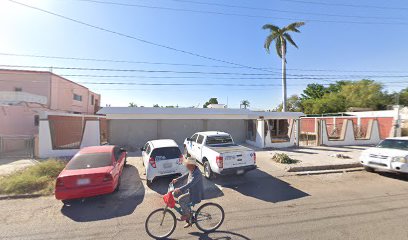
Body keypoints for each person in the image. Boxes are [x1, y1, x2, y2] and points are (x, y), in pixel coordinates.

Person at [172, 157, 204, 228]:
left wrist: (180, 189)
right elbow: (186, 175)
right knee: (182, 201)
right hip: (191, 191)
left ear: (192, 165)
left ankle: (187, 216)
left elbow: (191, 184)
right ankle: (190, 220)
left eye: (187, 165)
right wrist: (177, 179)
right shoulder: (192, 170)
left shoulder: (197, 173)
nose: (186, 166)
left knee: (181, 200)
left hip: (195, 194)